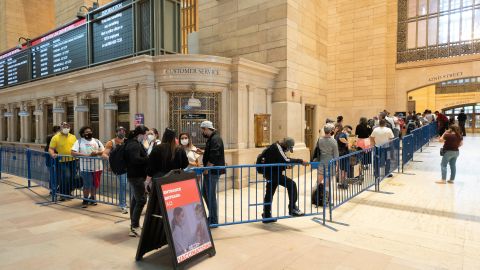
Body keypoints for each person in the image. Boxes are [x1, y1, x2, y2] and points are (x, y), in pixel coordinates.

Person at [262, 137, 308, 223]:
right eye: (288, 148)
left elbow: (277, 161)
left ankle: (266, 215)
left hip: (271, 173)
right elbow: (286, 160)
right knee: (292, 184)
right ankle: (292, 208)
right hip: (273, 174)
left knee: (269, 193)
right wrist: (300, 161)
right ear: (286, 145)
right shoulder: (277, 147)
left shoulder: (276, 147)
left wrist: (286, 166)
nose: (288, 150)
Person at [198, 121, 225, 226]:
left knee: (210, 195)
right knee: (205, 193)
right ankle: (212, 217)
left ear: (206, 129)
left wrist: (207, 168)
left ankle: (214, 220)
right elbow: (211, 152)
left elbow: (214, 155)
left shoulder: (215, 139)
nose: (202, 132)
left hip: (212, 171)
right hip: (210, 171)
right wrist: (203, 152)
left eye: (202, 130)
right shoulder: (212, 138)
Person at [125, 125, 149, 237]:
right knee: (141, 200)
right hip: (136, 176)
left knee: (136, 200)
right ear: (140, 134)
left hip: (136, 176)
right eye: (146, 134)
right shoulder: (134, 145)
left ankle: (134, 225)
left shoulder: (135, 143)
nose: (146, 137)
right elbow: (135, 160)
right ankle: (134, 227)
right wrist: (148, 159)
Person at [71, 126, 104, 208]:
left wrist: (97, 152)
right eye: (86, 132)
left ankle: (92, 198)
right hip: (85, 168)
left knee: (94, 184)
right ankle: (85, 199)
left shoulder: (97, 141)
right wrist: (86, 155)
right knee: (87, 184)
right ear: (82, 134)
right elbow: (73, 153)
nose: (88, 133)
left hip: (97, 167)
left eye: (90, 131)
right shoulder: (79, 142)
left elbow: (104, 150)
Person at [102, 126, 128, 214]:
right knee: (123, 184)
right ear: (116, 132)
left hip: (127, 167)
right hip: (118, 168)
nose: (122, 132)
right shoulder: (111, 142)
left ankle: (125, 203)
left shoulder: (127, 141)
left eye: (123, 130)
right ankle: (122, 204)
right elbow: (104, 154)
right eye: (120, 131)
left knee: (127, 185)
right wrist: (113, 160)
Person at [48, 122, 77, 201]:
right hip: (62, 161)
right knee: (66, 176)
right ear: (61, 127)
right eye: (64, 126)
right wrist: (52, 154)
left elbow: (77, 147)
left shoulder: (73, 137)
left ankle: (68, 193)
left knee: (72, 177)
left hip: (73, 160)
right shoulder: (56, 137)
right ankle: (63, 194)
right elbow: (51, 148)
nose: (66, 128)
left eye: (67, 126)